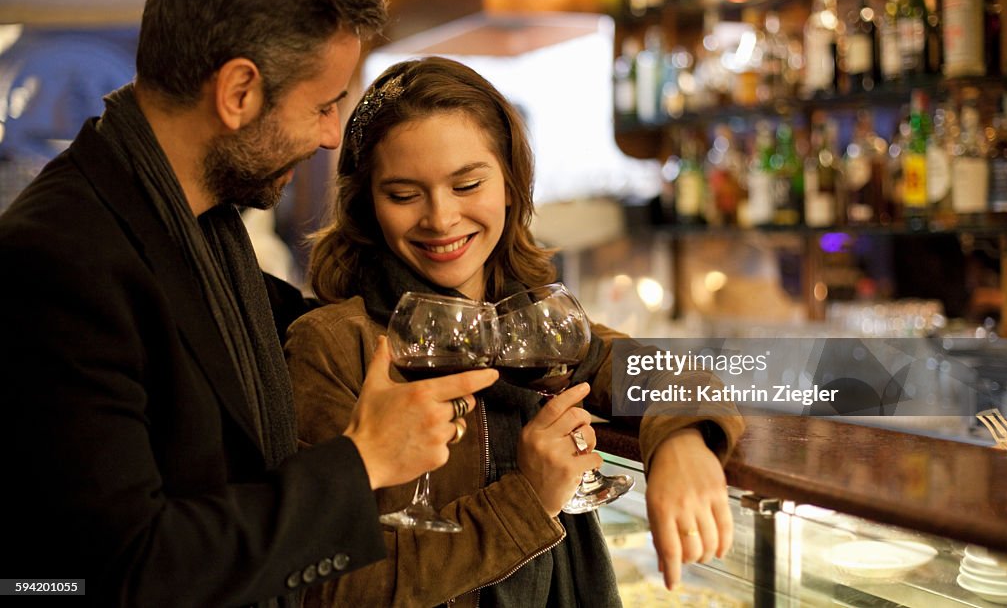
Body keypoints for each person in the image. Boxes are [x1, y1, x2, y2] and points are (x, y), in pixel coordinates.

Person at [0, 0, 496, 607]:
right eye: (324, 106)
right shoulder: (57, 260)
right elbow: (124, 570)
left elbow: (393, 320)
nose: (331, 137)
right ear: (238, 93)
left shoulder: (198, 229)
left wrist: (689, 405)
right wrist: (362, 461)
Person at [285, 56, 746, 607]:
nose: (441, 218)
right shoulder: (333, 345)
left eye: (467, 184)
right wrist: (527, 499)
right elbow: (331, 591)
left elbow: (665, 373)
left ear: (510, 182)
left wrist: (683, 441)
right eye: (404, 195)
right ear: (367, 206)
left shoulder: (530, 324)